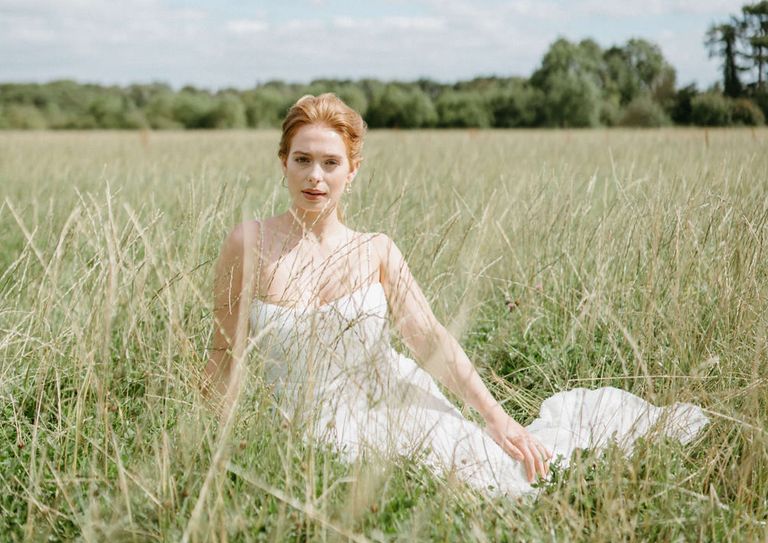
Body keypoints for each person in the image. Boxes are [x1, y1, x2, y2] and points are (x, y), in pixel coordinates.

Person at [203, 93, 707, 499]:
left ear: (351, 171)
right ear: (283, 164)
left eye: (330, 163)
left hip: (392, 408)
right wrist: (209, 448)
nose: (316, 176)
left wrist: (499, 419)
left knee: (505, 476)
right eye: (303, 160)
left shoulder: (376, 249)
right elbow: (222, 353)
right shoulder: (248, 243)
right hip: (298, 430)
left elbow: (429, 340)